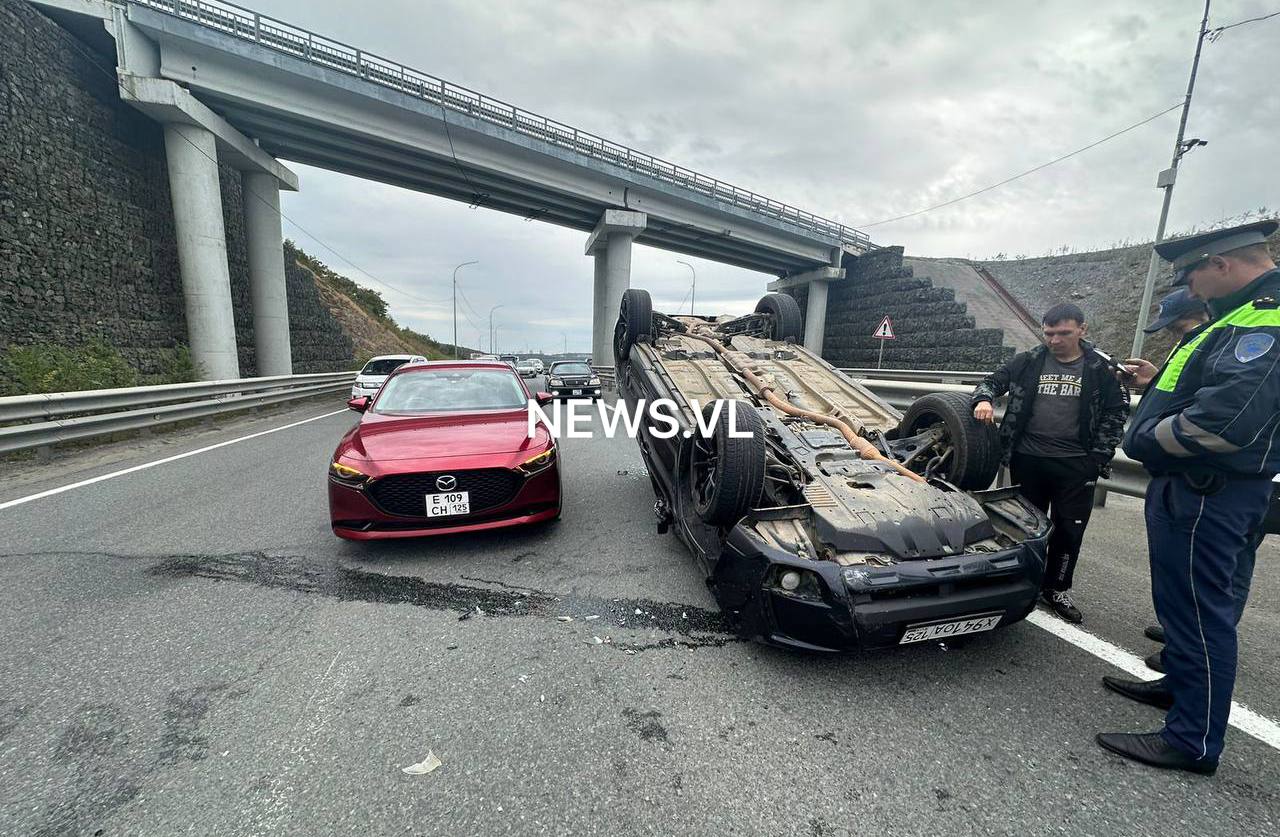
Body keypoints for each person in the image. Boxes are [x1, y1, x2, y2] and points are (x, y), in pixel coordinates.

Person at [1097, 219, 1280, 776]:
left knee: (1201, 614)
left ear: (1220, 264)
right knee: (1185, 608)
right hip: (1202, 490)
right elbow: (1202, 388)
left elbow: (1228, 421)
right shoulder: (1234, 316)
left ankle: (1192, 741)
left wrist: (1146, 439)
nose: (1190, 288)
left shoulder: (1265, 319)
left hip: (1209, 492)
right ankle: (1178, 688)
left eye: (1191, 275)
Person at [971, 303, 1130, 623]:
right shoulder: (1029, 361)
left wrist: (1096, 459)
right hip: (1028, 460)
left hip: (1076, 466)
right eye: (1049, 333)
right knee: (1026, 528)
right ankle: (1025, 583)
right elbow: (990, 382)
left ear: (1082, 330)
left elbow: (1117, 412)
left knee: (1069, 532)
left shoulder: (1101, 368)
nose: (1055, 340)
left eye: (1064, 333)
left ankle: (1056, 588)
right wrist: (983, 399)